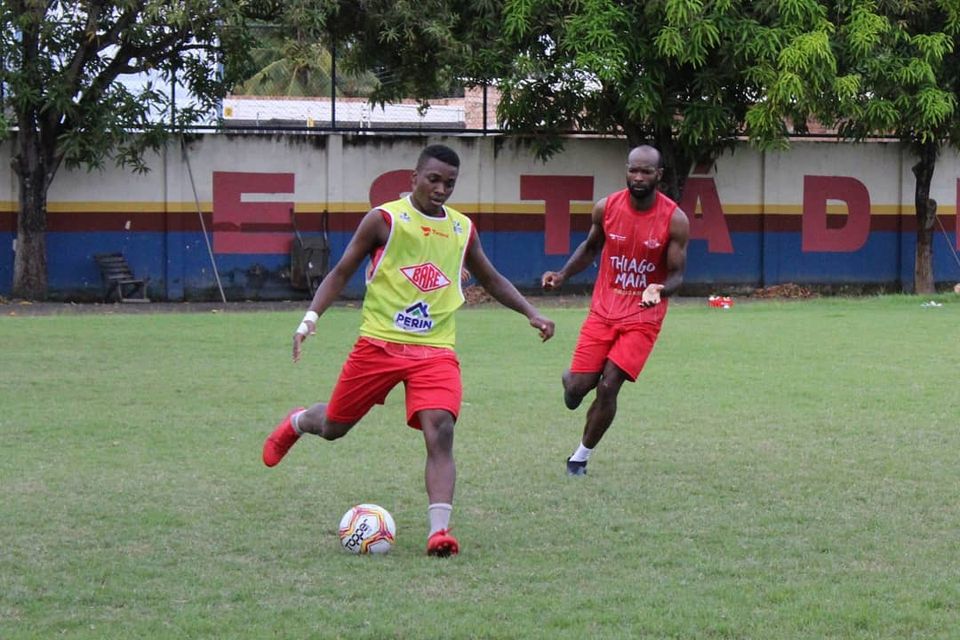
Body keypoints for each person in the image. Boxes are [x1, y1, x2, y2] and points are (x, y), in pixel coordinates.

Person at [263, 144, 555, 556]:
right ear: (413, 179)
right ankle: (297, 422)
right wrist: (309, 320)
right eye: (433, 179)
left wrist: (531, 312)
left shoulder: (461, 229)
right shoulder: (384, 221)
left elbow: (490, 278)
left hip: (434, 350)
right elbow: (342, 271)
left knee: (442, 429)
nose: (440, 189)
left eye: (449, 183)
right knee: (333, 426)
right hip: (378, 345)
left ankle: (440, 532)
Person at [541, 145, 689, 476]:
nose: (638, 177)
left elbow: (678, 273)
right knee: (577, 389)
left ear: (658, 175)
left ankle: (579, 458)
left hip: (643, 316)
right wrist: (562, 274)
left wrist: (660, 289)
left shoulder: (675, 219)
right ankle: (573, 380)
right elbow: (591, 247)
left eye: (646, 171)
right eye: (633, 170)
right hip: (603, 311)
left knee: (609, 385)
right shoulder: (606, 207)